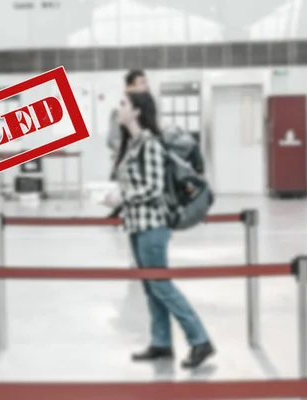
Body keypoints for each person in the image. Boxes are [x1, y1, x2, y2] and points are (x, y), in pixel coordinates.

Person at [102, 91, 215, 369]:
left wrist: (122, 198)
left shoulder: (149, 143)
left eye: (123, 104)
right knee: (151, 288)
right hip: (137, 225)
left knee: (162, 286)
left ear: (137, 111)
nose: (119, 109)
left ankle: (200, 340)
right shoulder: (132, 144)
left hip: (153, 226)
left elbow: (153, 187)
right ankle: (161, 342)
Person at [107, 69, 159, 219]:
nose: (147, 86)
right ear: (130, 87)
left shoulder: (150, 143)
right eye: (142, 83)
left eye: (146, 82)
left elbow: (153, 187)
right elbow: (114, 139)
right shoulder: (122, 110)